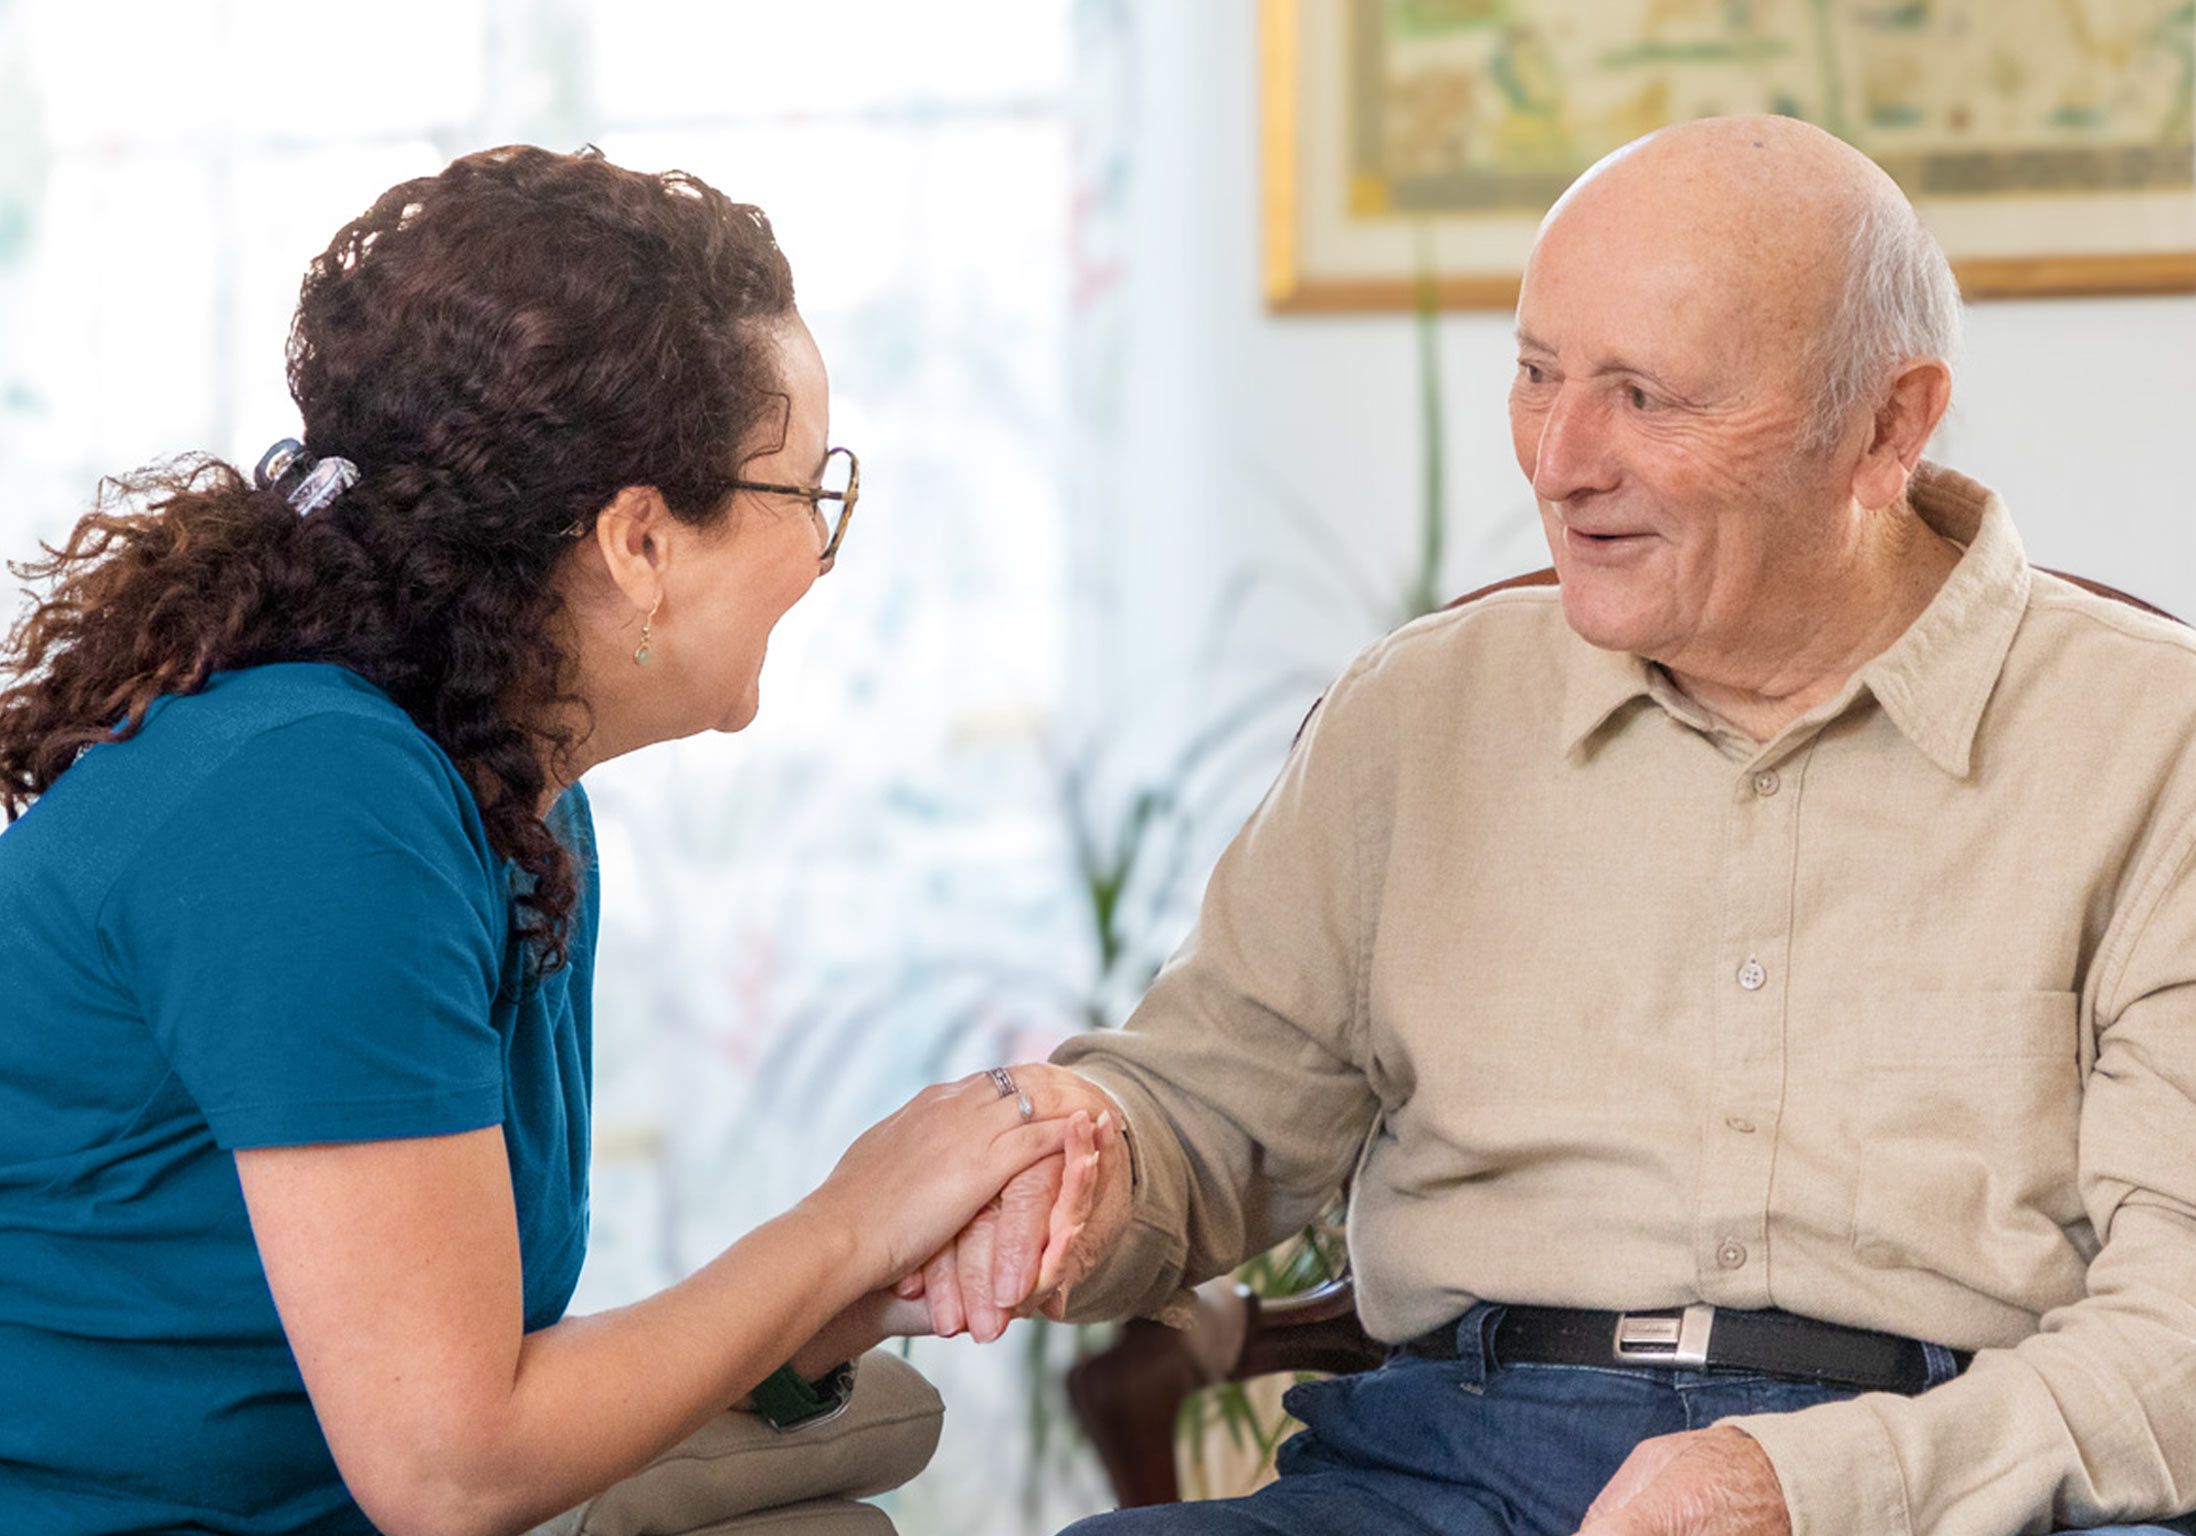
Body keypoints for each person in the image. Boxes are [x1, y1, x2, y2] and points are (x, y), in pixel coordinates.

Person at [908, 116, 2196, 1536]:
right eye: (1536, 375)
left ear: (1887, 426)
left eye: (1646, 396)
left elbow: (2180, 1337)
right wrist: (1086, 1171)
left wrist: (1815, 1488)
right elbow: (1209, 1114)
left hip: (1944, 1487)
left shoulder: (2152, 745)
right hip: (1439, 1474)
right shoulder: (1423, 711)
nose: (1563, 461)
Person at [0, 145, 1103, 1536]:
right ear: (640, 539)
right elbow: (450, 1468)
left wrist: (873, 1278)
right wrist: (846, 1224)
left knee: (848, 1464)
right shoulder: (312, 803)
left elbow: (469, 1385)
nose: (821, 559)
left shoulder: (506, 793)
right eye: (808, 496)